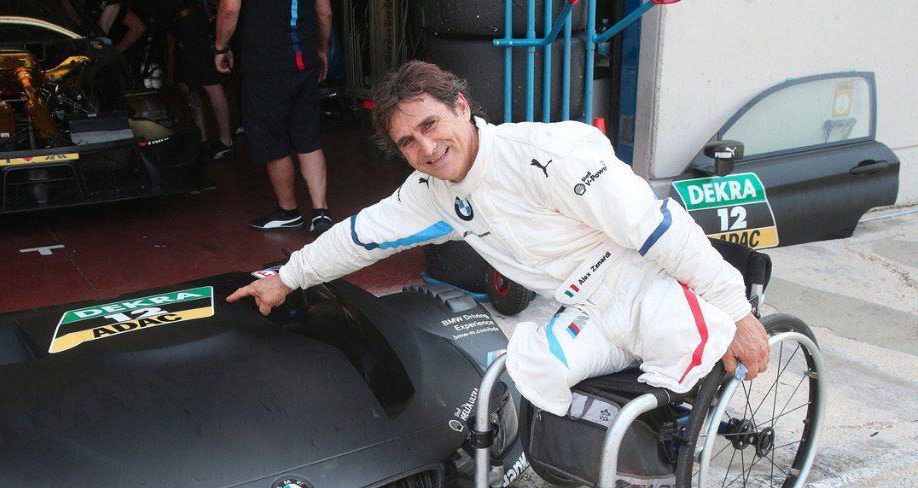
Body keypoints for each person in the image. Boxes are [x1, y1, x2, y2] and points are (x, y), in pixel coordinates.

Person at [227, 61, 769, 416]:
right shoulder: (428, 192)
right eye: (408, 143)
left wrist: (739, 313)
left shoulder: (545, 157)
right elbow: (358, 238)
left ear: (462, 106)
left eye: (432, 124)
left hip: (647, 282)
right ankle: (613, 448)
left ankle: (673, 417)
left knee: (670, 376)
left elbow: (662, 231)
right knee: (528, 369)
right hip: (581, 308)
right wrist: (286, 278)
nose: (427, 148)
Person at [213, 0, 334, 234]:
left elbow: (229, 8)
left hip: (264, 64)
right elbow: (325, 12)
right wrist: (321, 49)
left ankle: (288, 212)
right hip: (303, 62)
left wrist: (220, 47)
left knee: (272, 140)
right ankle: (321, 212)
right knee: (307, 137)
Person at [162, 0, 234, 160]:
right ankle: (201, 139)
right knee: (186, 82)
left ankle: (225, 141)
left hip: (192, 23)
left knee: (210, 82)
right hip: (180, 24)